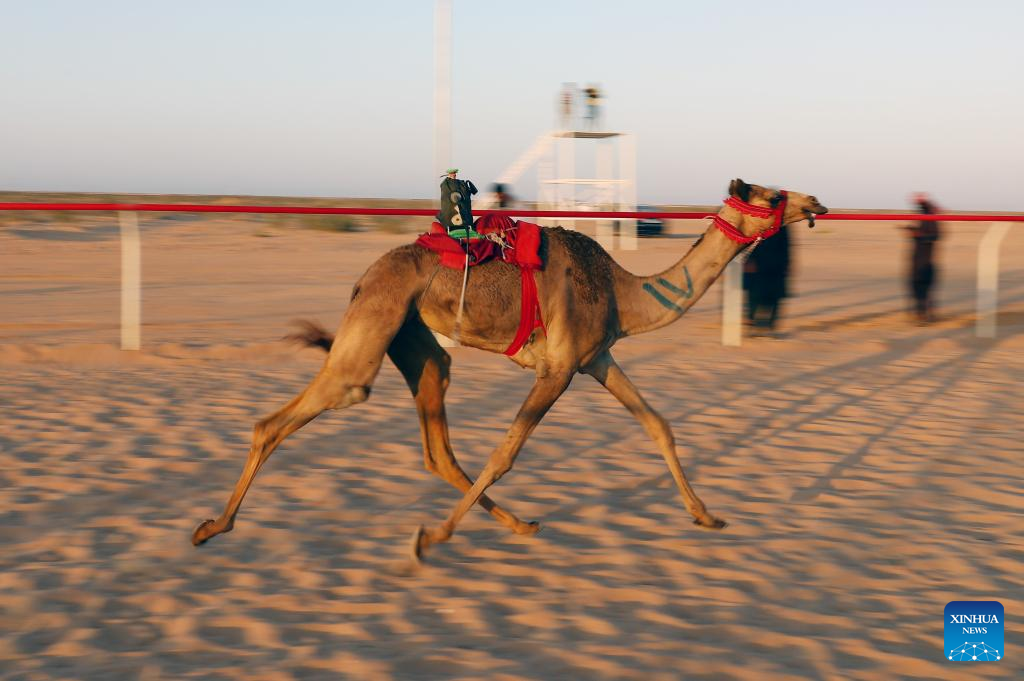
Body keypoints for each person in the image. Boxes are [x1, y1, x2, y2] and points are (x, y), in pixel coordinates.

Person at [743, 223, 792, 336]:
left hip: (776, 264)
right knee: (755, 294)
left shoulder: (782, 224)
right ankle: (754, 324)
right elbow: (748, 241)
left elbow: (785, 245)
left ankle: (769, 326)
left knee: (773, 296)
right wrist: (749, 260)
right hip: (758, 263)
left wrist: (787, 264)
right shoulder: (755, 220)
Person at [904, 193, 942, 323]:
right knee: (918, 287)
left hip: (924, 259)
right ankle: (922, 313)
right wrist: (913, 231)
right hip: (919, 257)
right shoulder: (924, 216)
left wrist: (917, 234)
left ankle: (925, 315)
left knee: (922, 287)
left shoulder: (929, 217)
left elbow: (934, 236)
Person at [437, 168, 478, 233]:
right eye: (453, 173)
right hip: (452, 216)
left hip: (464, 216)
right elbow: (447, 196)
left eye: (455, 173)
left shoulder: (461, 183)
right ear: (449, 174)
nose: (454, 174)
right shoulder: (446, 184)